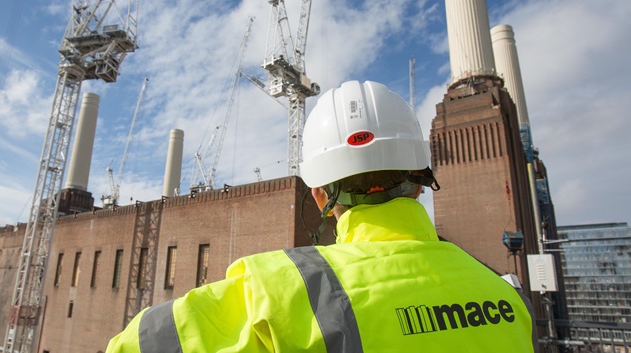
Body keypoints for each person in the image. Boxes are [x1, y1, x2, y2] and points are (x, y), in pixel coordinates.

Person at [106, 81, 536, 352]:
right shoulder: (506, 295)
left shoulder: (281, 291)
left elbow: (133, 346)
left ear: (317, 194)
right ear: (421, 180)